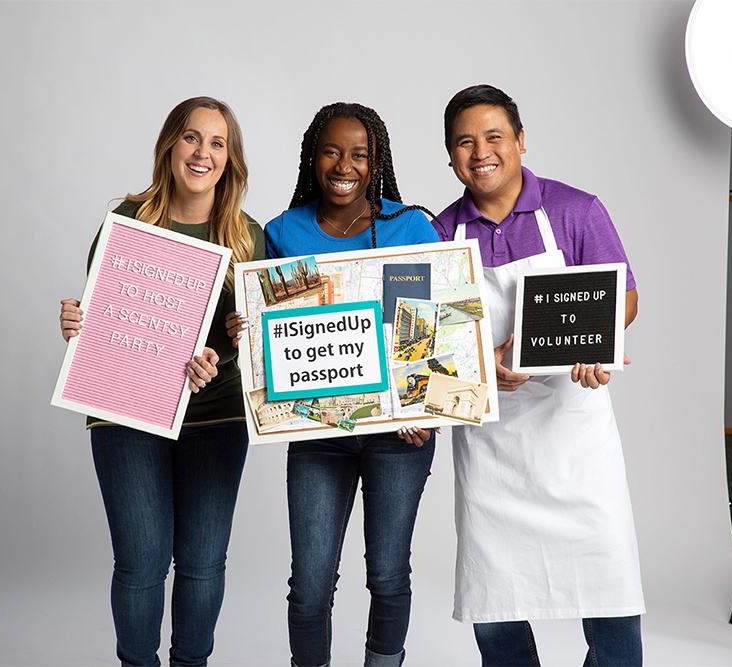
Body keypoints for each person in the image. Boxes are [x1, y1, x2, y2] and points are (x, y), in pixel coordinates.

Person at [432, 85, 645, 667]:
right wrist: (480, 365)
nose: (481, 153)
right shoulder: (441, 233)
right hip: (491, 443)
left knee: (609, 581)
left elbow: (623, 297)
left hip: (575, 431)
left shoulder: (576, 210)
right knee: (494, 593)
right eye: (464, 143)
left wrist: (588, 338)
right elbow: (428, 343)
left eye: (494, 137)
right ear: (450, 157)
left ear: (521, 141)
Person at [58, 96, 264, 667]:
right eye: (192, 138)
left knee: (202, 564)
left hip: (216, 417)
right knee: (141, 562)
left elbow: (255, 340)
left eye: (218, 143)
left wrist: (229, 351)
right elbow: (106, 321)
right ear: (171, 145)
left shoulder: (248, 237)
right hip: (127, 413)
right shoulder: (126, 219)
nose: (203, 152)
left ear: (231, 158)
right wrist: (76, 325)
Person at [232, 102, 437, 667]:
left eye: (359, 154)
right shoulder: (282, 232)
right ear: (311, 157)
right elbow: (271, 340)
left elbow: (433, 324)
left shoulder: (412, 226)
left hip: (402, 435)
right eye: (331, 150)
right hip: (318, 432)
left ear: (377, 163)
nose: (344, 164)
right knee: (311, 585)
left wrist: (422, 407)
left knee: (389, 574)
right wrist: (245, 328)